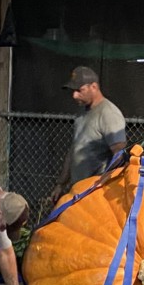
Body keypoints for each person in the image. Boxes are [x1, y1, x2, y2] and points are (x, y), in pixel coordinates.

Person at [51, 66, 126, 201]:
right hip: (78, 190)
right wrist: (60, 184)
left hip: (96, 194)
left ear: (94, 87)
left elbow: (119, 154)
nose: (74, 95)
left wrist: (101, 184)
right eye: (73, 91)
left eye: (80, 90)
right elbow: (74, 150)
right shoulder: (82, 112)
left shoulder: (108, 113)